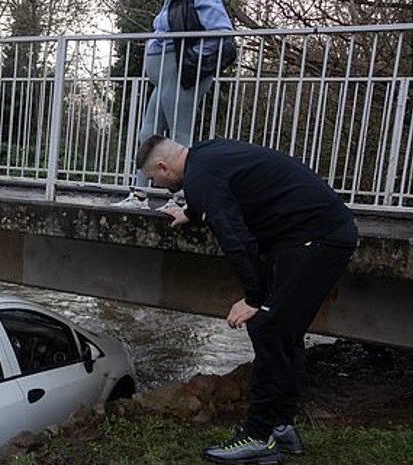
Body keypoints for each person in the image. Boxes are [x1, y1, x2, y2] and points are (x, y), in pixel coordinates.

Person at [137, 135, 358, 465]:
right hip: (312, 235)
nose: (156, 184)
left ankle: (258, 437)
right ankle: (281, 425)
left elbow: (236, 240)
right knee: (284, 333)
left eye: (154, 178)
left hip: (316, 239)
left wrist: (254, 298)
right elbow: (223, 196)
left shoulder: (200, 177)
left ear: (164, 166)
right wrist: (193, 212)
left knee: (268, 326)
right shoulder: (205, 155)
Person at [113, 0, 234, 210]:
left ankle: (181, 198)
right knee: (148, 133)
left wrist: (191, 61)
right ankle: (139, 195)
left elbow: (222, 33)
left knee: (180, 135)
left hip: (178, 72)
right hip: (166, 75)